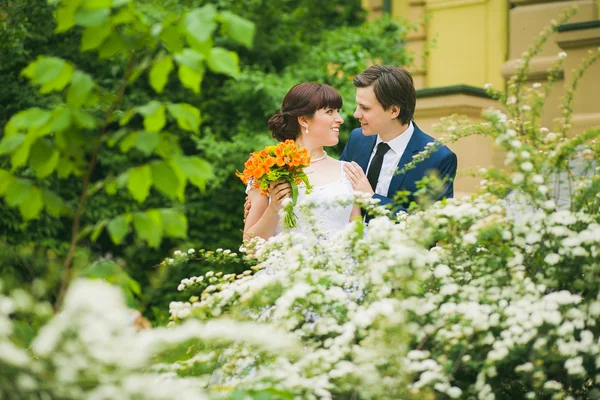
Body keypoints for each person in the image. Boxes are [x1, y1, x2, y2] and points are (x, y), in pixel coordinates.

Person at [243, 83, 361, 241]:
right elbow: (250, 247)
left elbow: (358, 239)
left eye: (337, 112)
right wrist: (274, 208)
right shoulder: (268, 168)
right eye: (330, 111)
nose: (340, 119)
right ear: (304, 120)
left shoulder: (349, 172)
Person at [341, 65, 457, 218]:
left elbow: (432, 227)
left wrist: (371, 198)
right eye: (358, 106)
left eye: (365, 108)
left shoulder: (438, 158)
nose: (356, 114)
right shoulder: (357, 139)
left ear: (394, 111)